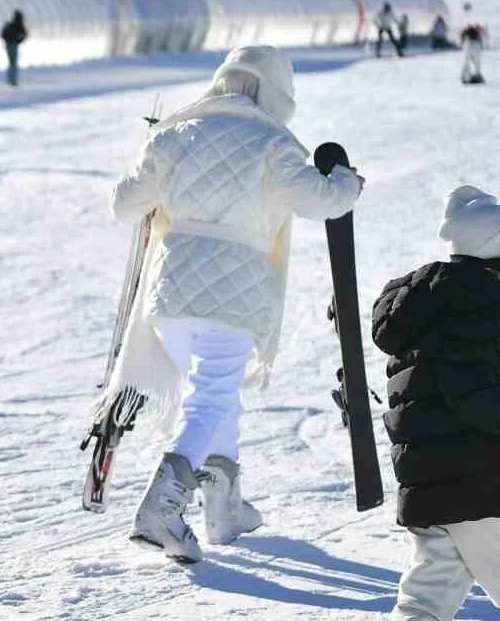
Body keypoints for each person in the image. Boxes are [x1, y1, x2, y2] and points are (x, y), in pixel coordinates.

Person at [105, 45, 363, 562]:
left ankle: (224, 508)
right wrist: (347, 183)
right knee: (212, 398)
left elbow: (123, 204)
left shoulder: (175, 132)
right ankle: (161, 506)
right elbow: (320, 201)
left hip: (169, 294)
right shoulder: (272, 141)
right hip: (232, 295)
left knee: (214, 394)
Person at [370, 185, 500, 621]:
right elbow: (481, 401)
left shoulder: (421, 310)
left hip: (428, 487)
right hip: (485, 488)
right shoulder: (483, 311)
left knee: (425, 599)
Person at [1, 10, 28, 87]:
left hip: (10, 45)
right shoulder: (17, 25)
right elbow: (25, 34)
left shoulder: (11, 25)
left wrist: (14, 40)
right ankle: (12, 80)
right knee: (13, 63)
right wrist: (18, 40)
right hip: (13, 45)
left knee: (12, 63)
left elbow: (3, 34)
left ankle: (11, 80)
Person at [459, 20, 486, 84]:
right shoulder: (476, 31)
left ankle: (465, 77)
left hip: (468, 44)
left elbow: (462, 38)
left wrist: (462, 44)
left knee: (466, 62)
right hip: (476, 45)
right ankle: (477, 75)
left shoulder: (466, 31)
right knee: (477, 63)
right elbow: (481, 40)